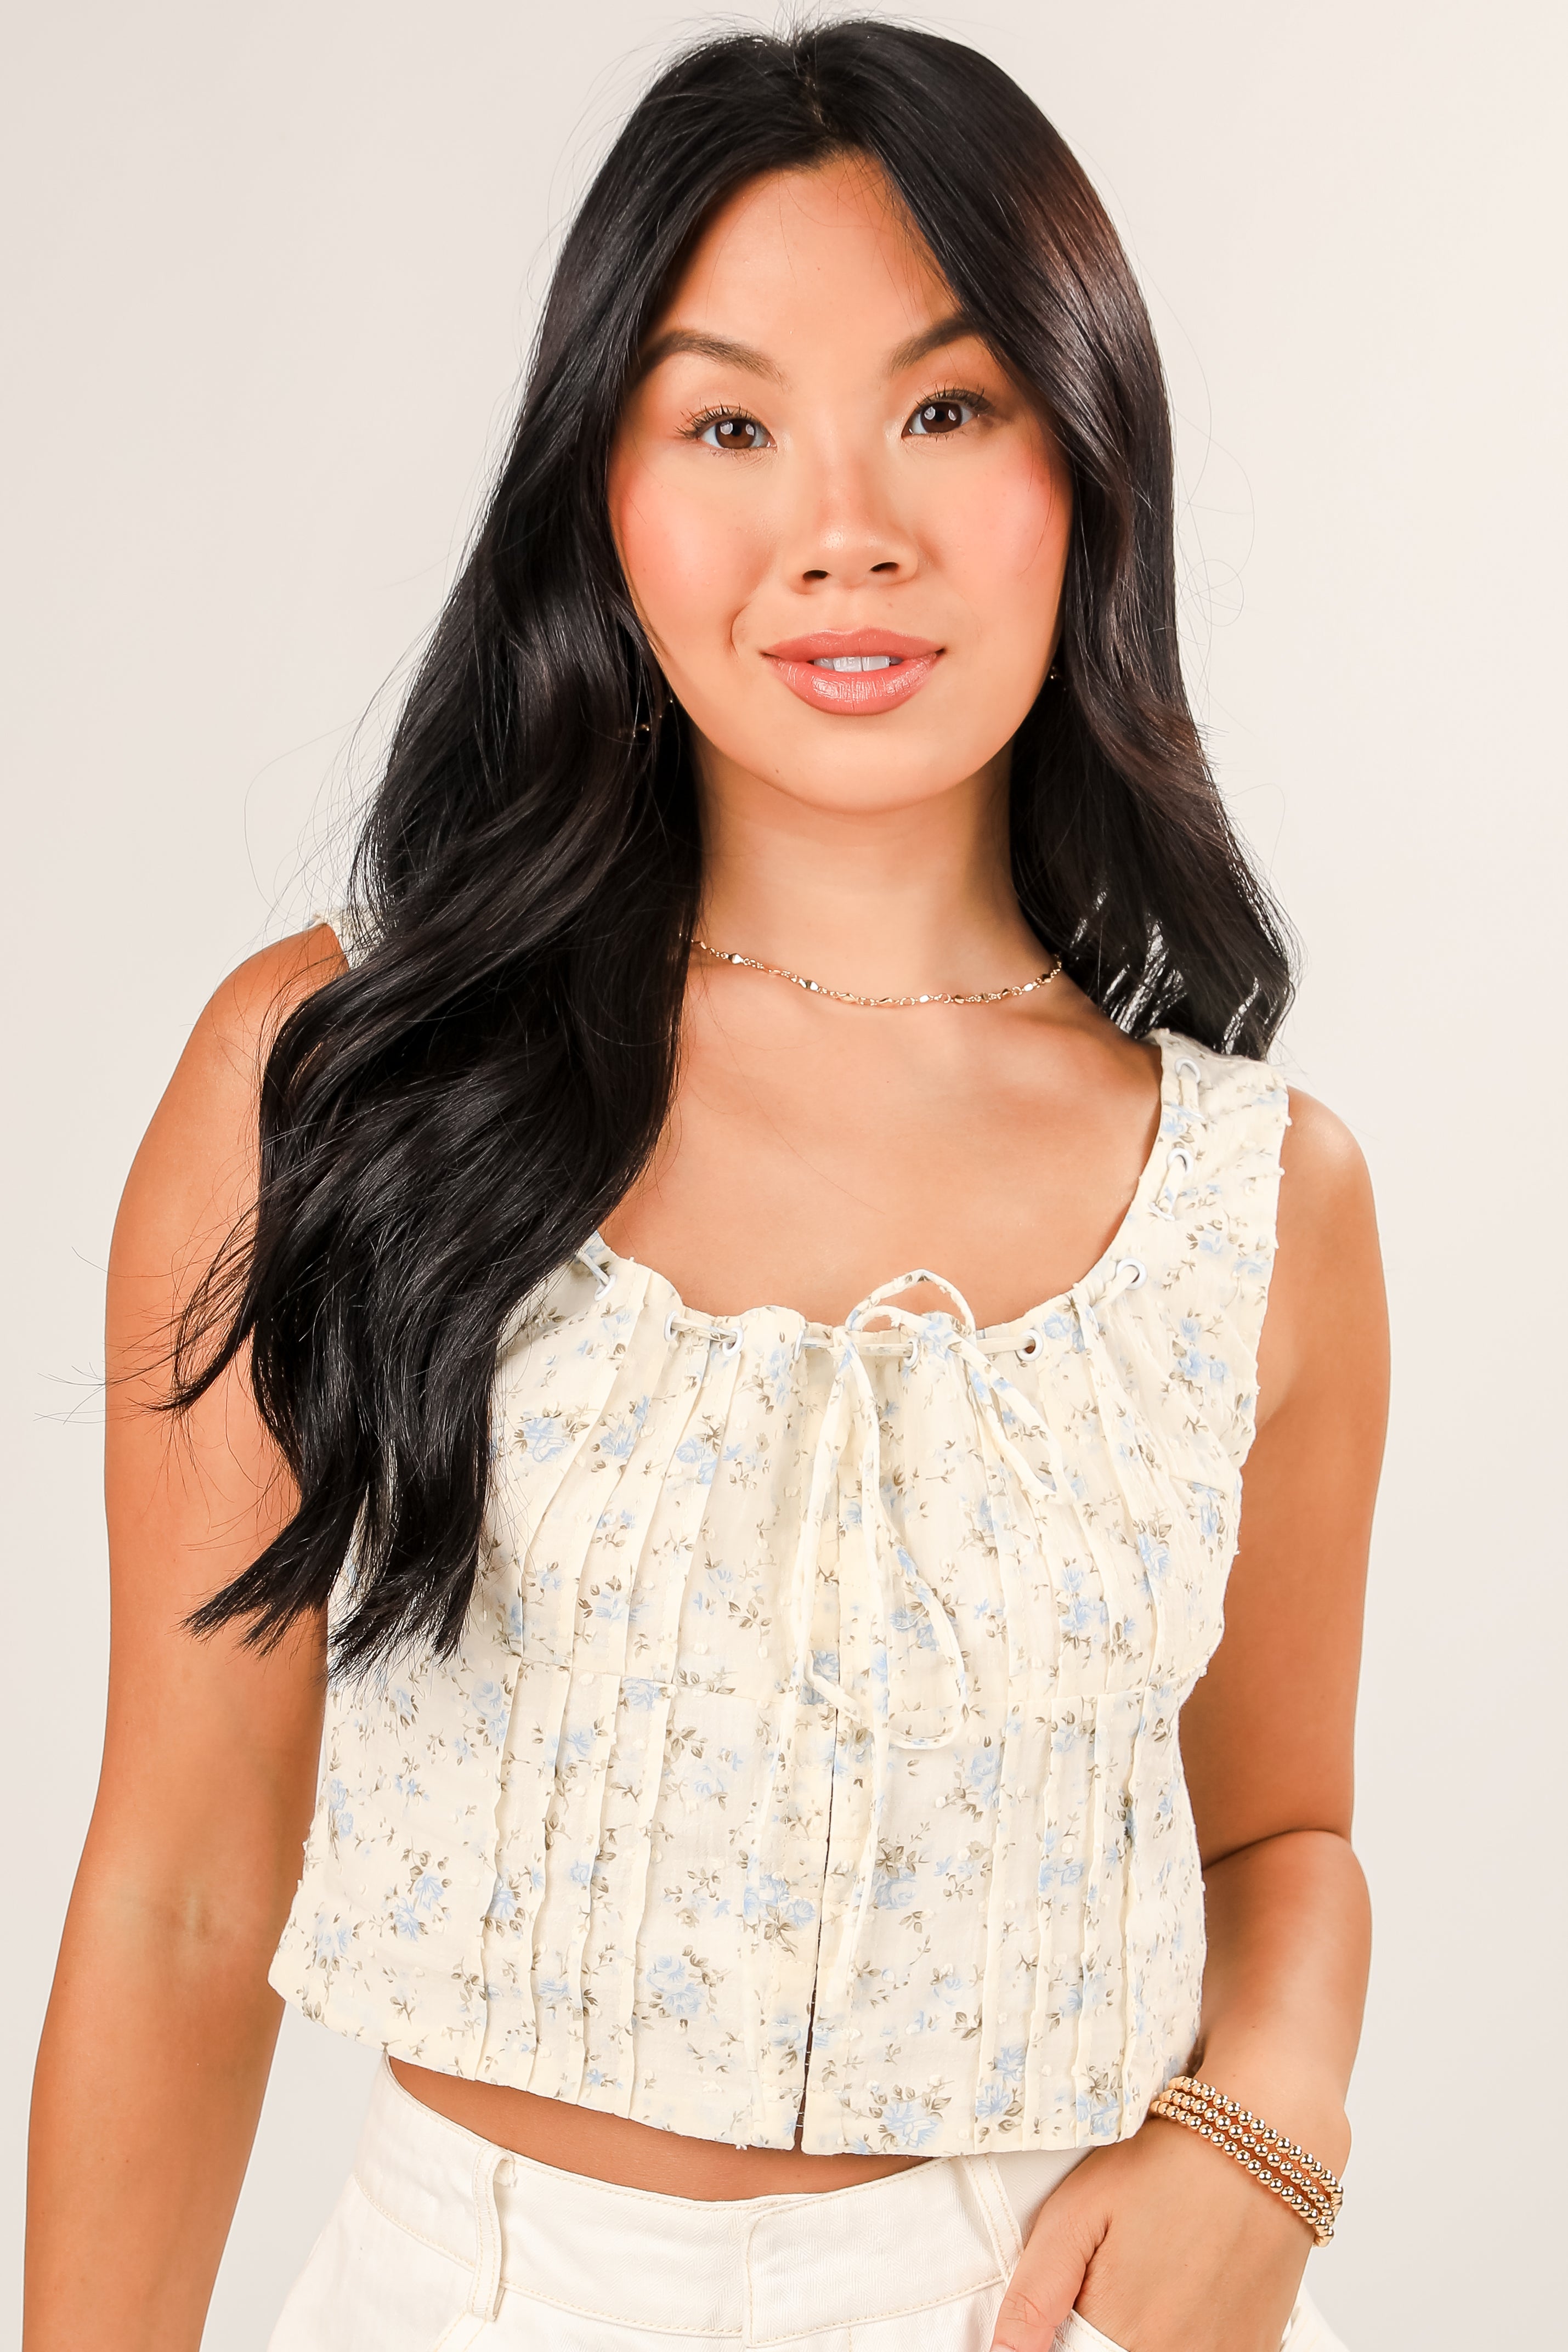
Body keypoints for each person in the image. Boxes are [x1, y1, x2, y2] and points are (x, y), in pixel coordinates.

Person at [24, 22, 1386, 2352]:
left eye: (946, 410)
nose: (842, 524)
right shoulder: (333, 1076)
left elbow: (1283, 1840)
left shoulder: (1253, 1203)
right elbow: (173, 1886)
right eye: (728, 422)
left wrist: (1269, 2116)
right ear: (604, 497)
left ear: (1085, 456)